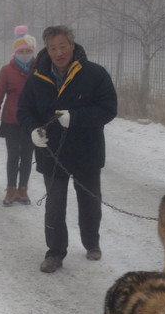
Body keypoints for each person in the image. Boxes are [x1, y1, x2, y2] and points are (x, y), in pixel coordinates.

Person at [17, 25, 117, 273]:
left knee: (90, 203)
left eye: (63, 46)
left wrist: (77, 118)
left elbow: (108, 109)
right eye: (53, 48)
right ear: (47, 50)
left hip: (87, 151)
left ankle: (92, 243)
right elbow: (24, 111)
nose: (59, 52)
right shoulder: (37, 78)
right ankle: (55, 253)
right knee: (54, 206)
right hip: (52, 153)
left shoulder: (94, 74)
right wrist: (32, 130)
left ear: (73, 46)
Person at [0, 25, 36, 206]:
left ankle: (23, 190)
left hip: (31, 122)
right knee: (13, 156)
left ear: (32, 52)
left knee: (27, 156)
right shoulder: (6, 71)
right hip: (11, 121)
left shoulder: (39, 69)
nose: (24, 53)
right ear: (15, 52)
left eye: (28, 50)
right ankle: (10, 190)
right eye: (21, 50)